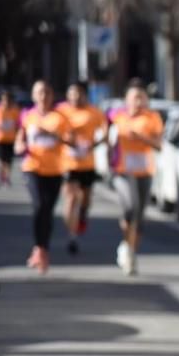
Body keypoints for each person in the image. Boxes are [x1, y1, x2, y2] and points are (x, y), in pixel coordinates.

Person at [14, 80, 73, 275]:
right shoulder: (27, 116)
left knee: (47, 210)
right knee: (39, 205)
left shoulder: (60, 118)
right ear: (33, 96)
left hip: (55, 170)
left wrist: (51, 134)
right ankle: (39, 248)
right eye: (39, 92)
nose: (43, 96)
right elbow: (19, 142)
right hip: (32, 167)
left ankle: (43, 249)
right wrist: (20, 147)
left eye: (46, 92)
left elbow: (70, 141)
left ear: (52, 95)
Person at [110, 80, 163, 276]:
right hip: (123, 171)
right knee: (130, 208)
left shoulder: (152, 118)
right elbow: (109, 140)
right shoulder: (118, 117)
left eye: (142, 98)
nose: (138, 102)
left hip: (144, 171)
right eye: (134, 98)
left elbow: (159, 145)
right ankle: (126, 244)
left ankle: (130, 251)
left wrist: (140, 138)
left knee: (139, 217)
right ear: (126, 100)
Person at [56, 81, 107, 255]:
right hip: (68, 163)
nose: (75, 97)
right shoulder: (61, 111)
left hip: (87, 163)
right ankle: (72, 235)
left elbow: (105, 133)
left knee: (85, 199)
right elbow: (54, 130)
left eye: (78, 94)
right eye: (71, 94)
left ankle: (82, 215)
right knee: (70, 199)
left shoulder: (94, 112)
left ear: (85, 95)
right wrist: (66, 141)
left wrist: (93, 145)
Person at [0, 90, 20, 187]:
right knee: (0, 159)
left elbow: (18, 124)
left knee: (9, 160)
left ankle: (7, 177)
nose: (6, 101)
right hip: (0, 138)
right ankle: (1, 175)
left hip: (11, 139)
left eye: (7, 99)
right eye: (3, 99)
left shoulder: (15, 110)